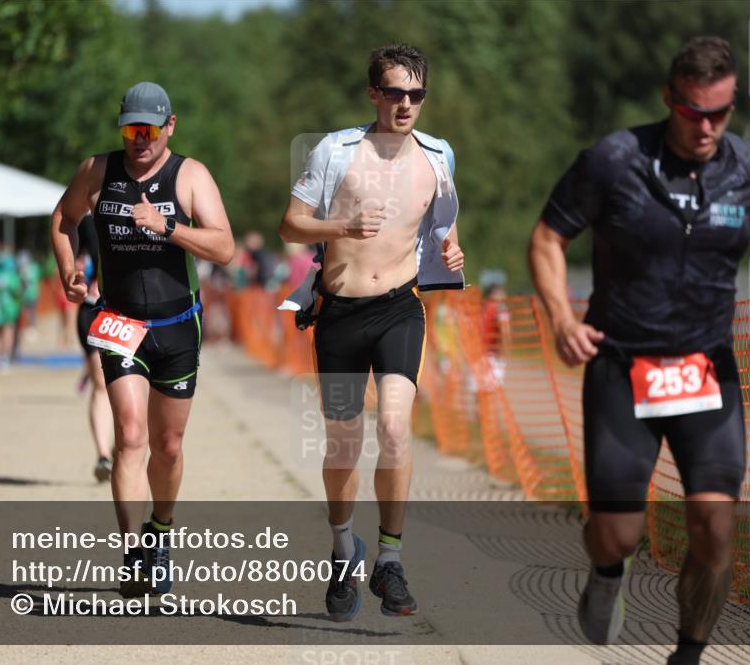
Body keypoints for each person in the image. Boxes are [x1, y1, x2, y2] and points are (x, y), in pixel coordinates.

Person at [527, 36, 750, 663]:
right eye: (692, 112)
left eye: (720, 112)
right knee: (618, 533)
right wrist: (560, 319)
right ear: (669, 99)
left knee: (715, 526)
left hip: (707, 367)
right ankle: (606, 570)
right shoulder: (613, 159)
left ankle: (688, 653)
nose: (707, 127)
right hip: (621, 364)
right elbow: (547, 240)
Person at [279, 43, 464, 621]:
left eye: (416, 94)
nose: (405, 104)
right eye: (393, 92)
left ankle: (389, 559)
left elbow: (442, 226)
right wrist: (342, 225)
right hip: (339, 315)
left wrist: (453, 251)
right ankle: (342, 550)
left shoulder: (437, 157)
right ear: (373, 94)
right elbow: (289, 224)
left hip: (399, 310)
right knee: (342, 443)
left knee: (394, 425)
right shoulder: (336, 151)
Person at [50, 82, 234, 597]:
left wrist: (167, 226)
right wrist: (69, 270)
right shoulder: (98, 171)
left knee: (168, 446)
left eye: (148, 131)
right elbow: (64, 219)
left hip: (177, 325)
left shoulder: (190, 175)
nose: (138, 140)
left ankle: (161, 530)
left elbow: (224, 247)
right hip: (119, 323)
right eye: (130, 129)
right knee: (130, 437)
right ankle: (133, 553)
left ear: (169, 126)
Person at [75, 214, 114, 482]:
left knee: (132, 386)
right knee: (101, 382)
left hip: (131, 314)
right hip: (93, 309)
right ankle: (103, 455)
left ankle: (124, 445)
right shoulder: (85, 221)